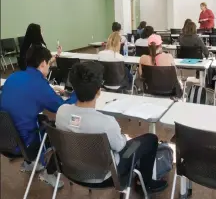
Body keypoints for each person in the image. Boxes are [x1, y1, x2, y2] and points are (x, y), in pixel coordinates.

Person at [56, 61, 168, 192]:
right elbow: (121, 147)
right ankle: (146, 184)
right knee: (150, 139)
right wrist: (123, 137)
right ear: (98, 91)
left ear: (74, 87)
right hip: (107, 177)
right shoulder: (106, 123)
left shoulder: (61, 112)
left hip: (72, 172)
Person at [0, 45, 77, 188]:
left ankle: (30, 164)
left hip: (4, 140)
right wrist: (77, 94)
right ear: (43, 63)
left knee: (32, 119)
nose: (49, 67)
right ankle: (48, 173)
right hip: (24, 145)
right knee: (57, 130)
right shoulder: (39, 84)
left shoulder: (12, 76)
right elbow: (62, 108)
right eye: (49, 63)